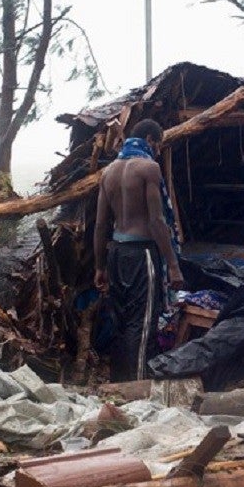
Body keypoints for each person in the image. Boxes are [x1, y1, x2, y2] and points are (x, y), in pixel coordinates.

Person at [94, 118, 184, 381]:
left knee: (121, 322)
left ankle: (117, 382)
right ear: (150, 140)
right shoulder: (149, 169)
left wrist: (100, 266)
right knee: (142, 322)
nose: (158, 150)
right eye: (159, 145)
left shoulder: (108, 172)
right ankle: (136, 387)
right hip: (141, 253)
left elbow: (101, 225)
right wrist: (174, 266)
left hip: (115, 253)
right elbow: (157, 221)